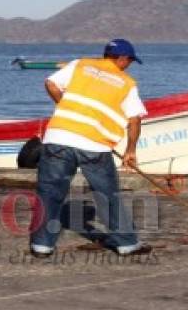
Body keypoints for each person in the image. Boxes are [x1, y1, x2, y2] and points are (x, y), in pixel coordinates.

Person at [30, 39, 150, 257]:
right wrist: (131, 151)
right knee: (106, 194)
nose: (130, 64)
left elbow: (50, 83)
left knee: (50, 193)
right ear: (122, 59)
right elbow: (134, 120)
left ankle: (42, 245)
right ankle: (126, 243)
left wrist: (64, 105)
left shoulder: (80, 65)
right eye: (130, 60)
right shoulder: (125, 83)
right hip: (94, 144)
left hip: (59, 137)